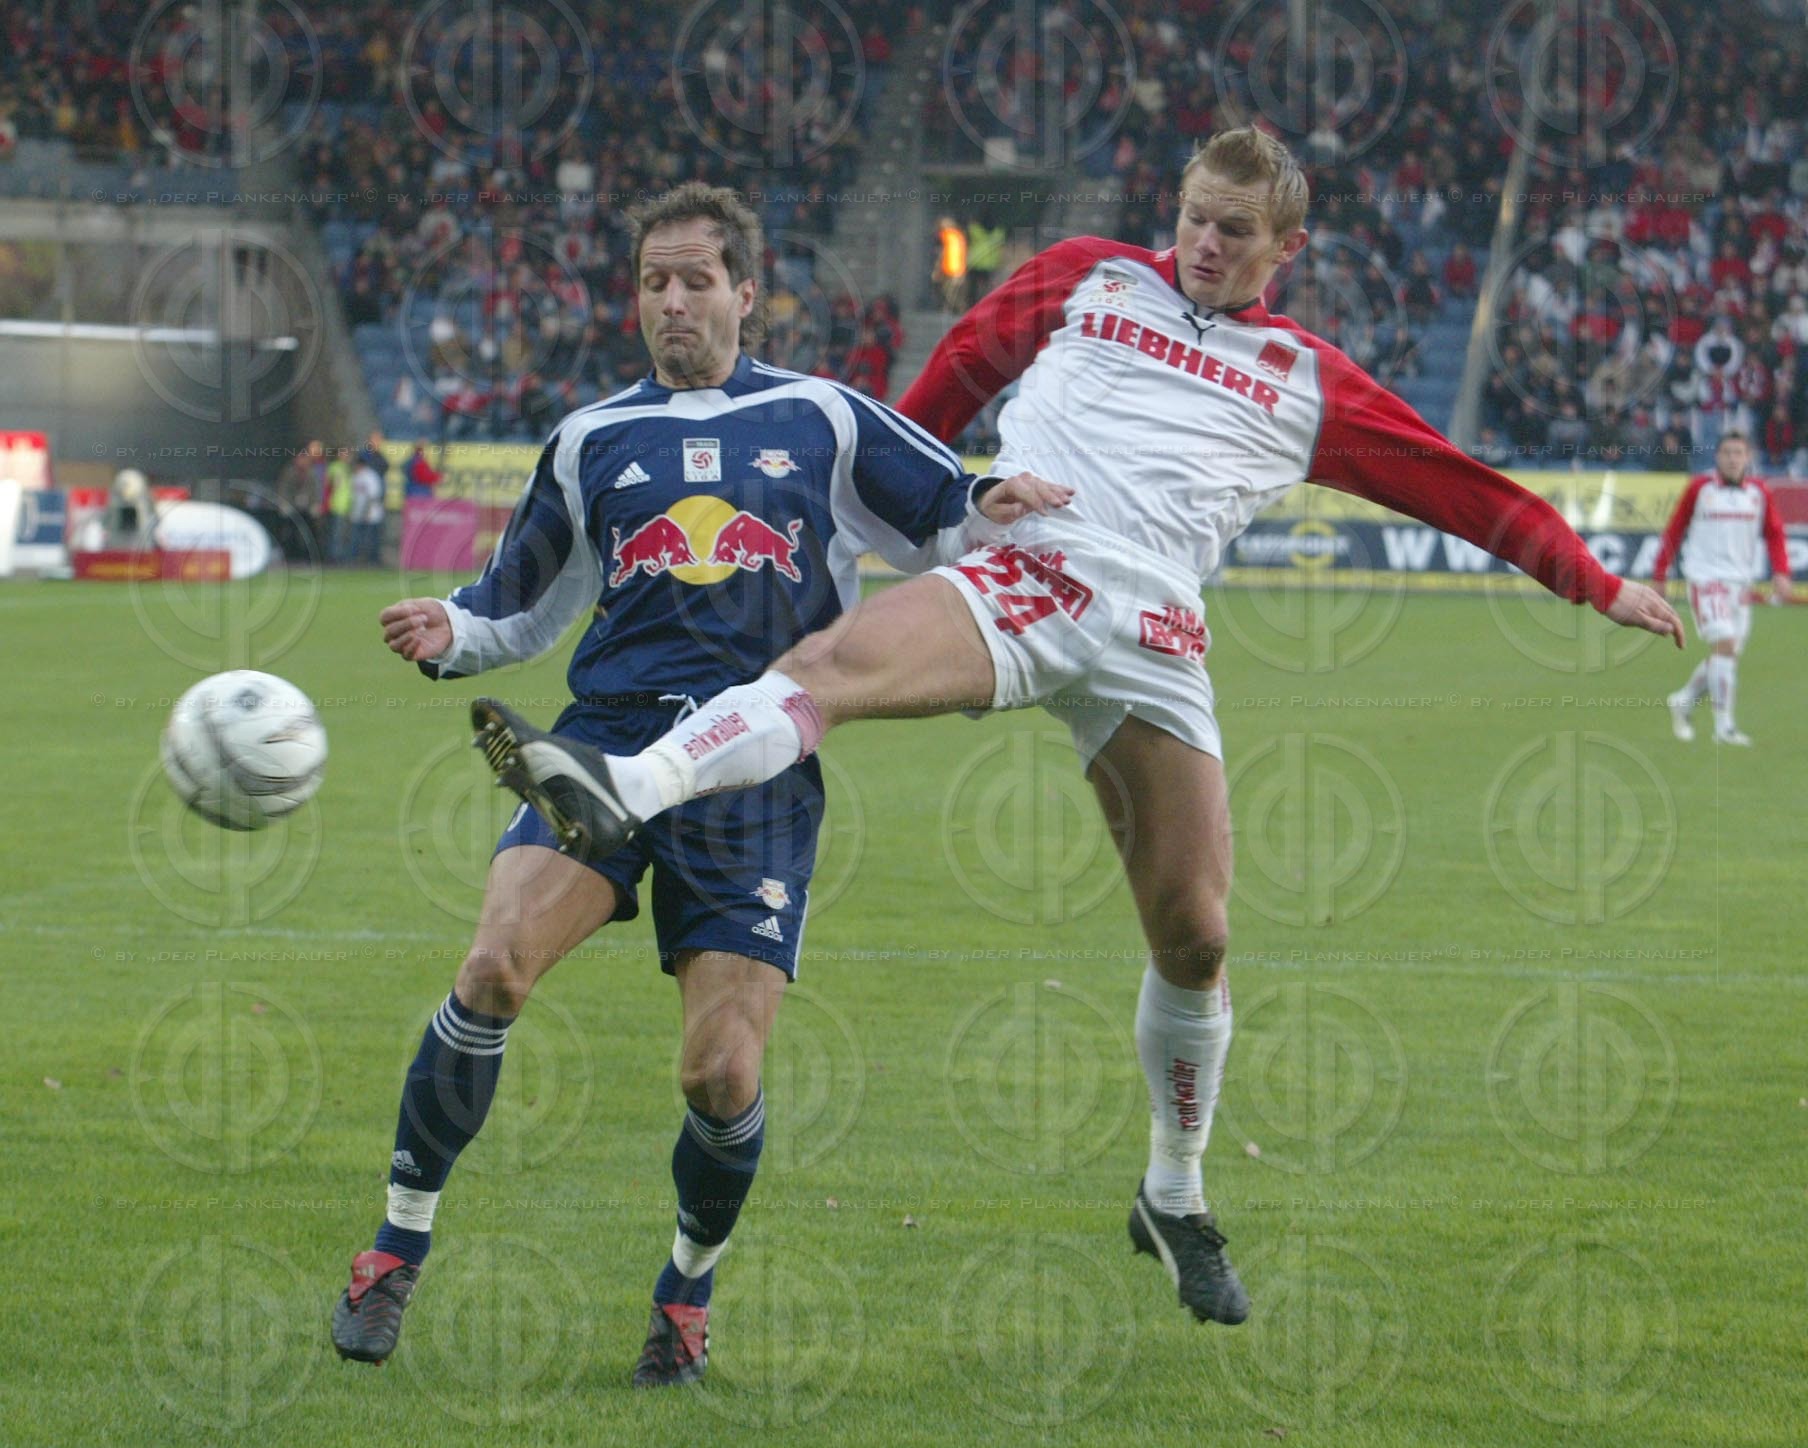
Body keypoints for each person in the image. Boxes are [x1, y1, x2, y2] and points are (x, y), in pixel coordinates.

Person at [468, 130, 1682, 1329]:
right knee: (830, 666)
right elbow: (950, 373)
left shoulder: (1305, 378)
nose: (1204, 244)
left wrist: (1589, 579)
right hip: (1038, 561)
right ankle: (628, 785)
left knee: (1198, 937)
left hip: (1157, 632)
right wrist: (875, 501)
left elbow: (1449, 482)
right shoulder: (1090, 274)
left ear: (1285, 248)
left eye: (1235, 232)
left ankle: (1172, 1194)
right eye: (1196, 216)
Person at [330, 182, 1063, 1383]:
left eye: (693, 279)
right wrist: (448, 633)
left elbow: (944, 510)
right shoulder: (588, 438)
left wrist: (994, 500)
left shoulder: (822, 416)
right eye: (651, 283)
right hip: (604, 749)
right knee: (492, 968)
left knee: (719, 1073)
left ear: (744, 291)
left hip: (755, 769)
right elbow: (519, 603)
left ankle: (684, 1293)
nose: (671, 302)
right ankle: (393, 1250)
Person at [1653, 430, 1792, 746]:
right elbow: (1675, 529)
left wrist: (1781, 572)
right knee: (1726, 646)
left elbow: (1775, 534)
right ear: (1717, 457)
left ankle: (1684, 700)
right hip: (1705, 580)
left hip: (1740, 584)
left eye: (1738, 453)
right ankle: (1724, 728)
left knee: (1726, 656)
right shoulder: (1700, 488)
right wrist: (1660, 572)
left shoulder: (1759, 492)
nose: (1732, 458)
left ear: (1748, 458)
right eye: (1727, 452)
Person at [350, 456, 385, 566]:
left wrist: (366, 512)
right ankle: (356, 559)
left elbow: (373, 496)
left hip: (371, 513)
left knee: (371, 538)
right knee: (357, 537)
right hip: (358, 512)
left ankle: (373, 560)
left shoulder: (370, 476)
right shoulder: (356, 476)